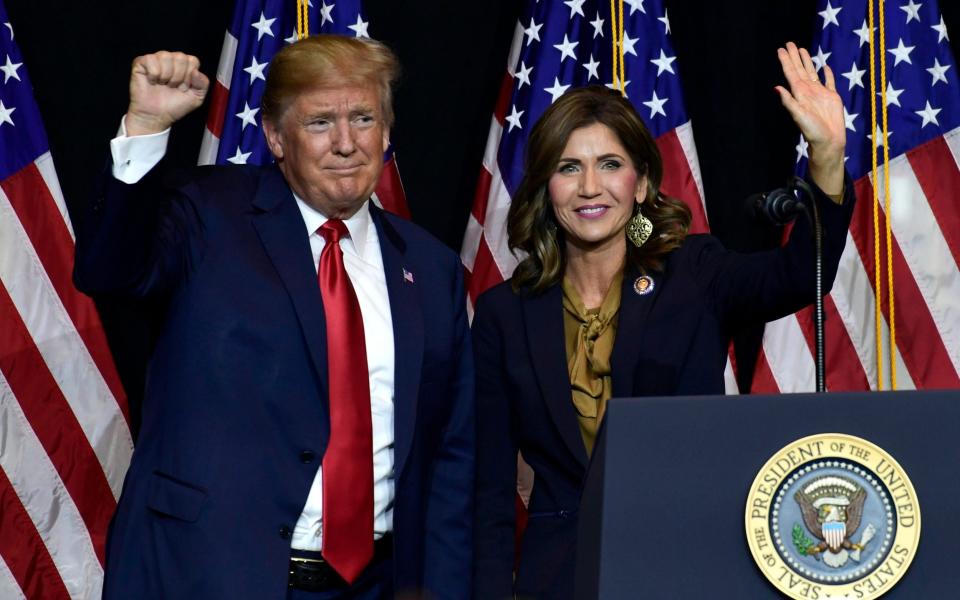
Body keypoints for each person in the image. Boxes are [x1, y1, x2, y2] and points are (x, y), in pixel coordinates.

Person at [73, 35, 474, 599]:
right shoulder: (209, 214)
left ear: (386, 134)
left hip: (374, 586)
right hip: (209, 576)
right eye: (318, 123)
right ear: (275, 137)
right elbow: (109, 270)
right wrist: (145, 126)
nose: (345, 143)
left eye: (363, 118)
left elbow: (449, 459)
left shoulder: (431, 270)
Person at [472, 43, 853, 599]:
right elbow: (487, 493)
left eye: (610, 165)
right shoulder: (504, 313)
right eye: (568, 168)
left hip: (684, 568)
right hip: (558, 578)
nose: (589, 188)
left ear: (642, 182)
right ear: (544, 187)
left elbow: (800, 277)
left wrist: (827, 159)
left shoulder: (695, 274)